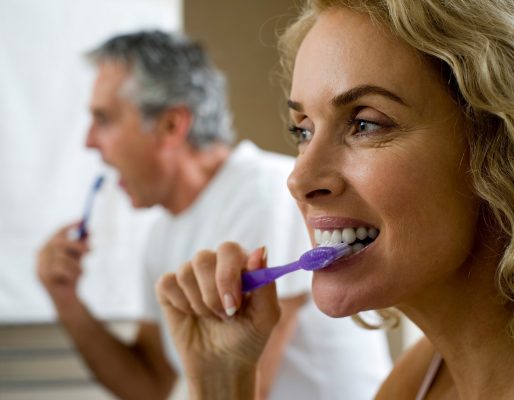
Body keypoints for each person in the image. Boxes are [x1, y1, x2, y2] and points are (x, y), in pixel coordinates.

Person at [155, 1, 514, 399]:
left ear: (505, 144)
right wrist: (221, 383)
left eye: (365, 124)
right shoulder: (423, 379)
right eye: (304, 131)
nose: (299, 179)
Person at [37, 30, 392, 400]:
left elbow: (245, 389)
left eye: (104, 119)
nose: (89, 141)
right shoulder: (161, 233)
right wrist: (66, 301)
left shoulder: (265, 196)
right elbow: (148, 386)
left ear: (171, 125)